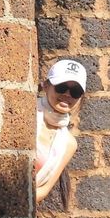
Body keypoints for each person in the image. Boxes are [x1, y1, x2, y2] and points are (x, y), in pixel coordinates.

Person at [35, 59, 87, 207]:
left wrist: (15, 200)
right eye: (61, 87)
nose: (67, 94)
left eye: (75, 91)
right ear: (46, 86)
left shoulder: (69, 143)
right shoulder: (26, 115)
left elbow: (44, 190)